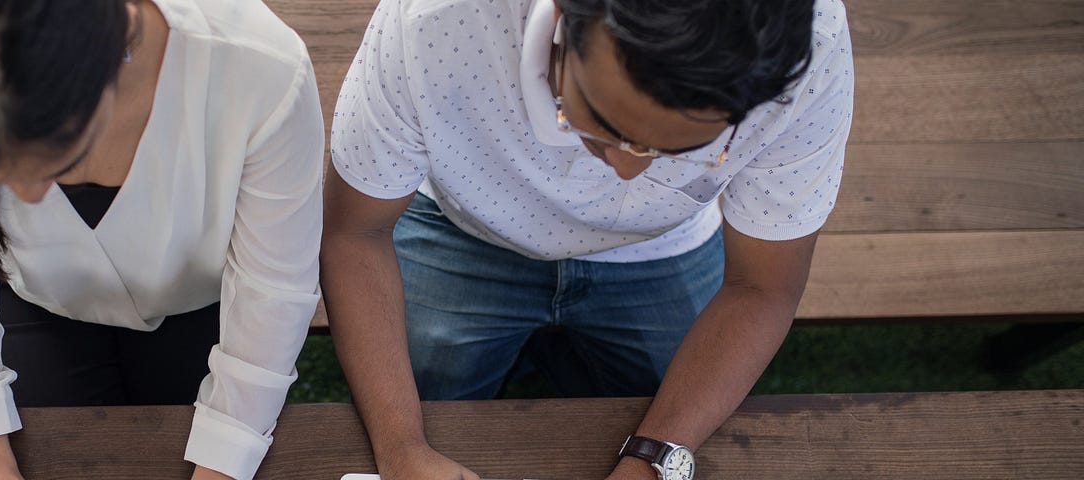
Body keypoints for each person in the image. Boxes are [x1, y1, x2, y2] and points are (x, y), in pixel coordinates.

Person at [323, 0, 853, 478]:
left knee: (681, 393)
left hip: (664, 248)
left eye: (677, 147)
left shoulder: (812, 50)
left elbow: (761, 287)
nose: (625, 170)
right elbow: (356, 233)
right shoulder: (437, 20)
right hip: (459, 225)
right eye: (601, 120)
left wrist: (656, 461)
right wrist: (400, 448)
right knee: (425, 383)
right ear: (561, 19)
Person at [0, 1, 325, 479]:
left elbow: (273, 292)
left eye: (57, 155)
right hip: (34, 296)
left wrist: (222, 463)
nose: (26, 198)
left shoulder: (262, 67)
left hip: (207, 301)